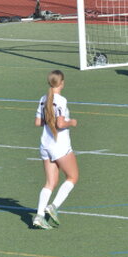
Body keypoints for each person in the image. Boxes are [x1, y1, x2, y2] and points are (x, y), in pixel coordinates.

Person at [33, 70, 79, 230]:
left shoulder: (43, 99)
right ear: (62, 83)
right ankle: (53, 206)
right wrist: (71, 122)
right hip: (59, 145)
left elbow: (38, 122)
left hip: (45, 145)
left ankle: (39, 216)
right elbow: (60, 124)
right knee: (72, 177)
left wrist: (49, 119)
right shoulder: (61, 100)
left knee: (50, 183)